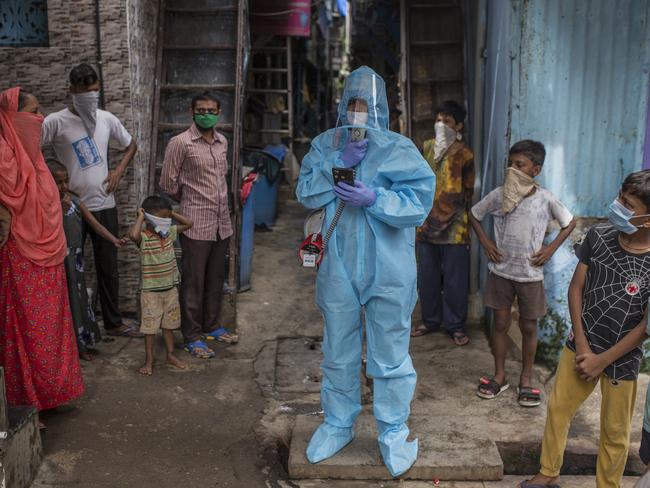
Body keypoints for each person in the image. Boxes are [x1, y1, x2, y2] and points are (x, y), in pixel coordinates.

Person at [296, 66, 435, 477]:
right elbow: (306, 193)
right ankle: (338, 422)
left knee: (390, 352)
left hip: (388, 269)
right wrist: (338, 163)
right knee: (338, 348)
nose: (358, 112)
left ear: (381, 109)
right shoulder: (325, 144)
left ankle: (393, 429)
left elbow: (418, 204)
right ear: (342, 105)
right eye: (352, 104)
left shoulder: (400, 149)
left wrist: (376, 196)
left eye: (366, 105)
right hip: (337, 264)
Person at [522, 170, 650, 487]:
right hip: (579, 344)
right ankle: (547, 473)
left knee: (615, 432)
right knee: (558, 409)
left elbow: (647, 327)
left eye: (628, 204)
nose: (617, 206)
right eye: (620, 197)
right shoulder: (598, 236)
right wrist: (582, 346)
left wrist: (601, 360)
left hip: (622, 358)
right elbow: (576, 288)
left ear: (648, 219)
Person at [470, 140, 575, 407]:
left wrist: (550, 250)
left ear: (535, 169)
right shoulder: (498, 195)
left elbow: (569, 222)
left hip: (530, 276)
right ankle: (500, 375)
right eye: (510, 164)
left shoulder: (545, 198)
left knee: (528, 326)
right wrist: (487, 243)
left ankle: (526, 379)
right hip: (502, 272)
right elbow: (473, 215)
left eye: (520, 165)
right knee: (501, 324)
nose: (512, 170)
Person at [0, 87, 84, 411]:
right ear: (12, 117)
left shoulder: (32, 156)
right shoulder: (5, 157)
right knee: (24, 329)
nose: (41, 118)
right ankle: (25, 400)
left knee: (49, 327)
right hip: (20, 253)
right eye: (34, 111)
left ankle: (49, 393)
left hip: (47, 255)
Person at [41, 63, 140, 338]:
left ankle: (113, 322)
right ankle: (74, 329)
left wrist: (119, 169)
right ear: (71, 91)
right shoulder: (55, 122)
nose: (91, 96)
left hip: (105, 204)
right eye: (85, 91)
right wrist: (54, 187)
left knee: (109, 268)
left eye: (95, 91)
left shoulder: (107, 119)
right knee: (71, 269)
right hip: (71, 209)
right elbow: (32, 152)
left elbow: (132, 144)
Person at [159, 92, 238, 360]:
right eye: (201, 110)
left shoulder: (222, 141)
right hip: (195, 222)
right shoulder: (180, 143)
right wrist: (191, 200)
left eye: (212, 110)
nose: (206, 114)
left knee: (215, 279)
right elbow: (168, 184)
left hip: (221, 223)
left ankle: (212, 326)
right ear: (192, 112)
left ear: (219, 113)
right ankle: (192, 335)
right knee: (193, 282)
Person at [47, 159, 126, 361]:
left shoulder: (75, 201)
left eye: (66, 181)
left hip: (75, 262)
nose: (64, 186)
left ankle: (81, 344)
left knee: (79, 300)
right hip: (57, 260)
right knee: (61, 303)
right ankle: (65, 348)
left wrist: (113, 239)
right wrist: (56, 209)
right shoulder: (45, 205)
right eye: (58, 182)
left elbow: (96, 225)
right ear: (45, 181)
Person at [412, 100, 475, 346]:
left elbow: (466, 192)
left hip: (454, 229)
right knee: (426, 278)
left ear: (458, 126)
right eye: (438, 120)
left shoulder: (465, 154)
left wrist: (444, 217)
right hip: (425, 227)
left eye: (447, 121)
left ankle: (456, 326)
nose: (441, 124)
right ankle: (430, 320)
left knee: (454, 280)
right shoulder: (426, 148)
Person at [128, 196, 192, 375]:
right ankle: (149, 361)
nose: (166, 221)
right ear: (150, 219)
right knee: (150, 329)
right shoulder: (144, 238)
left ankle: (170, 355)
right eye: (161, 218)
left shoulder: (169, 232)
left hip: (170, 289)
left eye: (167, 218)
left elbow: (189, 224)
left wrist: (171, 213)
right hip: (150, 292)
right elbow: (132, 235)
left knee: (169, 326)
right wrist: (141, 216)